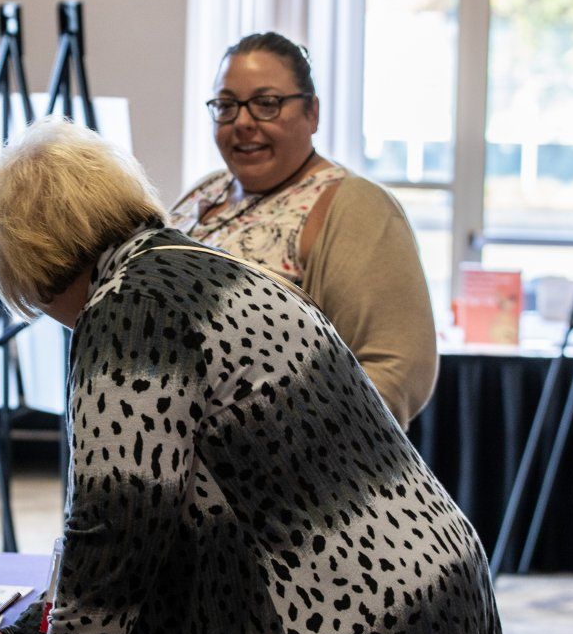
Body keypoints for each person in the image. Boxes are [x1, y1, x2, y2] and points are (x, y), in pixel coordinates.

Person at [0, 118, 539, 634]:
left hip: (342, 623)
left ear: (34, 254)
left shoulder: (129, 309)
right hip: (418, 588)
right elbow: (147, 512)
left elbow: (119, 528)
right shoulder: (194, 265)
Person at [170, 32, 438, 427]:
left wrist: (290, 455)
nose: (242, 122)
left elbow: (396, 370)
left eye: (266, 104)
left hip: (277, 472)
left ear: (311, 112)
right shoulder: (203, 192)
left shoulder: (356, 207)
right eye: (226, 106)